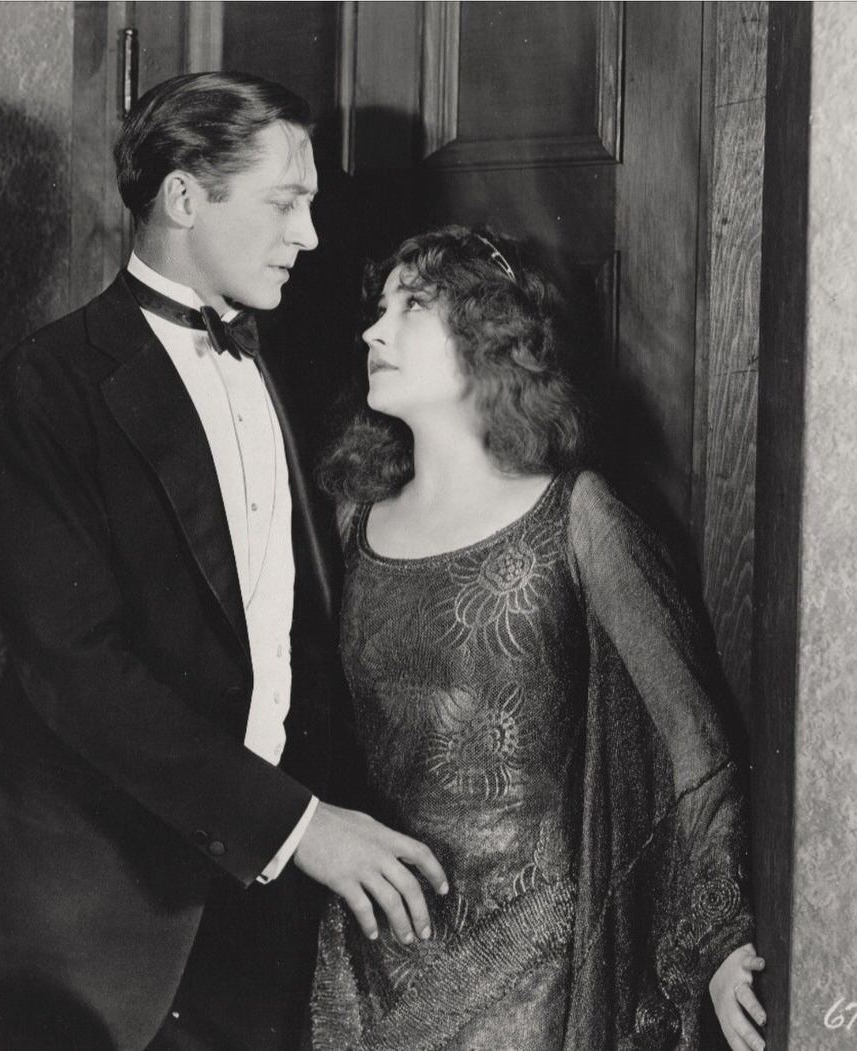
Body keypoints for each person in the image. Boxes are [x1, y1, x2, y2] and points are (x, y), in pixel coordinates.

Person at [0, 72, 446, 1051]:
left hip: (259, 921)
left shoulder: (286, 363)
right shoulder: (49, 384)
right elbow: (75, 671)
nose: (309, 235)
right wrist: (299, 826)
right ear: (182, 197)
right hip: (89, 931)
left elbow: (297, 635)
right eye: (284, 202)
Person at [309, 226, 766, 1051]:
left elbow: (693, 737)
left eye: (411, 306)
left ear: (490, 331)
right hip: (367, 959)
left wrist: (723, 941)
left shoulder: (578, 513)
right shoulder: (347, 524)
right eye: (379, 308)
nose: (374, 331)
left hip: (538, 978)